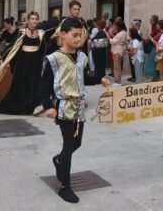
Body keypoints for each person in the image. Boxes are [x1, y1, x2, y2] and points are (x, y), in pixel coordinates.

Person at [39, 17, 109, 204]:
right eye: (75, 35)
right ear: (63, 35)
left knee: (77, 143)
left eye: (81, 36)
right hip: (63, 107)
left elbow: (83, 77)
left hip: (79, 107)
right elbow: (43, 85)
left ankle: (59, 160)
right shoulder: (53, 59)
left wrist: (99, 78)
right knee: (69, 144)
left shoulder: (82, 57)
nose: (79, 39)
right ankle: (65, 186)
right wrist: (48, 106)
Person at [0, 12, 46, 115]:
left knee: (33, 83)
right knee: (21, 83)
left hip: (35, 62)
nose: (34, 21)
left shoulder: (41, 33)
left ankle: (31, 106)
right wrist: (6, 58)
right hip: (23, 62)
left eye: (36, 19)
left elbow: (43, 49)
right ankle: (18, 106)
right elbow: (14, 46)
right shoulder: (22, 32)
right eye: (32, 19)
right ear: (28, 20)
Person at [104, 20, 127, 86]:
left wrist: (108, 35)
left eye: (116, 26)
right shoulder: (122, 32)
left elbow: (113, 41)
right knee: (116, 66)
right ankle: (117, 80)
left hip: (118, 50)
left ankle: (118, 82)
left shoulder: (122, 33)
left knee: (117, 66)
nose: (115, 28)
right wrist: (111, 34)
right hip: (117, 50)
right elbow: (116, 39)